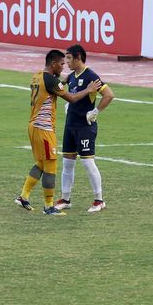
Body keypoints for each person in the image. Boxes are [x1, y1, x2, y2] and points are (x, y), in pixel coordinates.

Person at [15, 50, 100, 215]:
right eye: (61, 64)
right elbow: (72, 98)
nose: (64, 67)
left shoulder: (37, 76)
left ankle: (23, 197)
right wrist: (88, 90)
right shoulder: (51, 80)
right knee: (51, 166)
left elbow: (54, 86)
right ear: (53, 64)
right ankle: (48, 206)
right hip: (44, 128)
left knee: (41, 163)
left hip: (33, 126)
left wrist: (63, 81)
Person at [55, 44, 115, 213]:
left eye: (68, 58)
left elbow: (109, 94)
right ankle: (65, 198)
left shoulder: (91, 76)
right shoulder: (72, 75)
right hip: (70, 125)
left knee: (88, 162)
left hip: (84, 127)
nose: (66, 62)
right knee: (67, 163)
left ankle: (99, 200)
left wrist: (95, 111)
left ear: (78, 57)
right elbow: (63, 85)